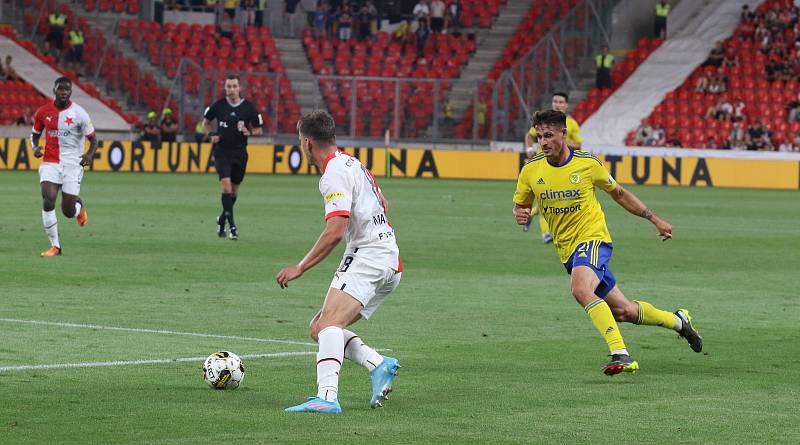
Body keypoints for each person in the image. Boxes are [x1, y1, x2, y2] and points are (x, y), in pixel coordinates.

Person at [512, 110, 702, 375]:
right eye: (540, 136)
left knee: (580, 289)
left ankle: (620, 353)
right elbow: (521, 205)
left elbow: (619, 194)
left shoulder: (587, 164)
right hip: (567, 250)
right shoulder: (531, 170)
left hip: (593, 239)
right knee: (624, 311)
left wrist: (654, 219)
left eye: (549, 136)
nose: (543, 142)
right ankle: (679, 322)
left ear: (563, 134)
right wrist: (519, 214)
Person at [278, 110, 402, 414]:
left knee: (329, 324)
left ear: (307, 143)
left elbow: (334, 231)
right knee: (320, 327)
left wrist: (301, 266)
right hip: (387, 257)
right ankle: (378, 364)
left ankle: (327, 397)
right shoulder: (354, 163)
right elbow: (384, 203)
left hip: (369, 256)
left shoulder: (333, 172)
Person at [29, 77, 98, 257]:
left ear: (71, 92)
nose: (64, 92)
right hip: (50, 162)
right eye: (61, 89)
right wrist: (35, 147)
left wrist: (89, 154)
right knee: (48, 198)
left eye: (67, 89)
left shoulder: (79, 113)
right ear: (54, 90)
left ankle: (78, 207)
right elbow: (34, 134)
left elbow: (94, 138)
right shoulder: (43, 111)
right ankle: (55, 246)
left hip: (72, 164)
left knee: (67, 211)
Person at [202, 75, 263, 240]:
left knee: (234, 192)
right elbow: (205, 123)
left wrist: (249, 132)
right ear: (225, 88)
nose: (231, 90)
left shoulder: (249, 108)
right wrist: (211, 134)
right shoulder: (219, 105)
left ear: (239, 88)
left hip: (240, 153)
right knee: (226, 188)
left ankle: (222, 219)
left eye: (234, 86)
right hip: (222, 151)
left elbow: (258, 130)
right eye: (228, 86)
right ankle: (232, 226)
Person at [523, 92, 582, 243]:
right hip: (541, 164)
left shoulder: (572, 124)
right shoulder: (544, 123)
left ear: (566, 105)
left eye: (561, 102)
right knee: (545, 196)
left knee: (552, 198)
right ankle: (546, 234)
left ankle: (531, 215)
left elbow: (579, 144)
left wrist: (561, 143)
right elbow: (529, 136)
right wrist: (529, 150)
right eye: (555, 101)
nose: (557, 104)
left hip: (561, 166)